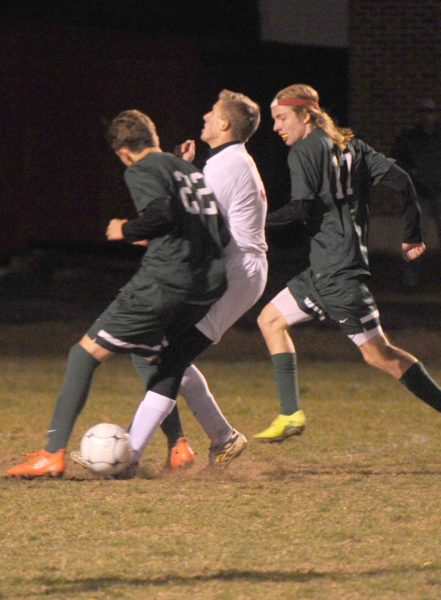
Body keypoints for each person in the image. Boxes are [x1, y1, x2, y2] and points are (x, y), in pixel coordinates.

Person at [8, 109, 228, 477]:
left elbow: (159, 212)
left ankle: (51, 453)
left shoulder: (140, 168)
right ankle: (178, 446)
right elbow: (217, 228)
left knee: (83, 355)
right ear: (154, 138)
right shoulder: (188, 170)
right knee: (148, 354)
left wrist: (125, 229)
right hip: (207, 284)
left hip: (164, 281)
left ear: (124, 151)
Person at [254, 83, 441, 443]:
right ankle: (290, 414)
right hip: (326, 269)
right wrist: (413, 234)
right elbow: (403, 182)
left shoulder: (305, 151)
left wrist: (253, 222)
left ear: (305, 115)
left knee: (380, 356)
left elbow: (300, 209)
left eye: (281, 118)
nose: (276, 127)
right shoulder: (352, 145)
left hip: (335, 274)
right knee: (270, 319)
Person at [91, 89, 268, 470]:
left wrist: (140, 234)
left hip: (234, 271)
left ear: (224, 124)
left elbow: (202, 225)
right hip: (233, 268)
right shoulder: (225, 162)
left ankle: (130, 455)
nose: (204, 116)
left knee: (170, 356)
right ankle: (223, 437)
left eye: (211, 112)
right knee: (167, 351)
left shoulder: (226, 166)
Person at [391, 97, 441, 286]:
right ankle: (410, 279)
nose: (426, 117)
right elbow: (397, 162)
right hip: (419, 195)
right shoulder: (409, 138)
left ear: (435, 114)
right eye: (422, 113)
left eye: (429, 112)